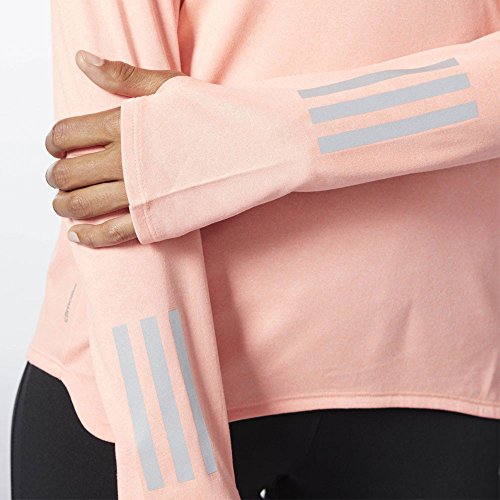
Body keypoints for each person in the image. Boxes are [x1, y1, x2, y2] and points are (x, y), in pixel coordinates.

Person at [11, 1, 500, 498]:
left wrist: (259, 137)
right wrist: (173, 467)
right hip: (141, 379)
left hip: (445, 373)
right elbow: (114, 188)